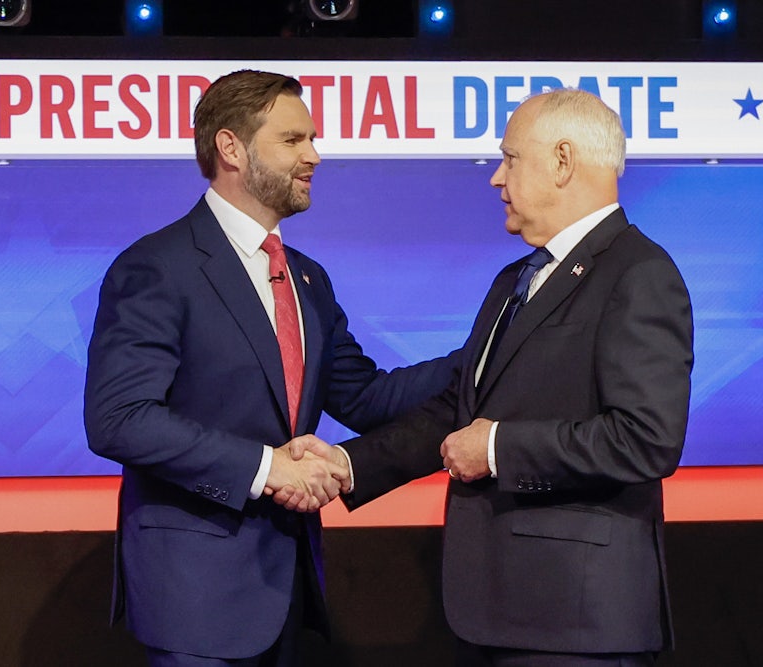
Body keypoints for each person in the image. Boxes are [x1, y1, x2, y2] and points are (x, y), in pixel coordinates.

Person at [283, 88, 694, 665]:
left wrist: (498, 448)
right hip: (500, 614)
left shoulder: (639, 274)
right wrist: (347, 464)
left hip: (577, 623)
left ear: (562, 161)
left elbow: (646, 439)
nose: (497, 178)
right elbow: (459, 407)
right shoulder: (514, 280)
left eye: (510, 158)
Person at [82, 69, 455, 667]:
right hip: (195, 598)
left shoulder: (307, 276)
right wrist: (266, 468)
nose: (314, 156)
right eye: (293, 140)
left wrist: (489, 353)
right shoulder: (158, 266)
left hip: (286, 589)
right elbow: (119, 420)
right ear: (231, 147)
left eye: (312, 139)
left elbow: (365, 397)